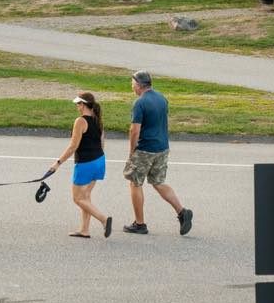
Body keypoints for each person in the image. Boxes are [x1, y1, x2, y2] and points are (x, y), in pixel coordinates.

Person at [123, 70, 192, 236]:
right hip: (162, 148)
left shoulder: (139, 103)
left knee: (135, 182)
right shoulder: (162, 98)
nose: (132, 87)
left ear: (139, 85)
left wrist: (131, 151)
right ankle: (182, 212)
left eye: (133, 84)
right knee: (158, 182)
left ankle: (139, 224)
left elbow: (134, 130)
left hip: (145, 149)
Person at [50, 91, 112, 239]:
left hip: (86, 164)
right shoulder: (98, 119)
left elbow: (73, 146)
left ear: (83, 105)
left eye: (78, 104)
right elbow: (102, 143)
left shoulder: (80, 121)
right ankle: (84, 230)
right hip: (99, 161)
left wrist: (58, 163)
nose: (77, 106)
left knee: (77, 198)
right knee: (86, 196)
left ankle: (104, 219)